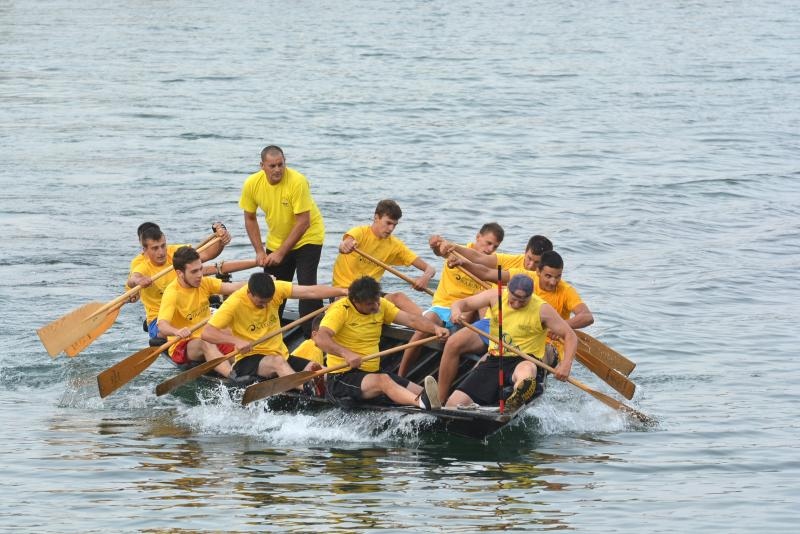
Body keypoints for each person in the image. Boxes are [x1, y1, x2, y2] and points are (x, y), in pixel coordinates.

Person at [432, 234, 554, 403]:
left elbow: (559, 321)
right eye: (528, 259)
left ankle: (516, 392)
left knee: (532, 360)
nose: (531, 265)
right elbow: (481, 260)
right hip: (495, 324)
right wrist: (455, 248)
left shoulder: (550, 282)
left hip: (525, 334)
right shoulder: (514, 267)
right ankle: (439, 400)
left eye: (536, 263)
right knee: (453, 343)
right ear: (524, 253)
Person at [314, 276, 449, 410]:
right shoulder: (340, 310)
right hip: (343, 376)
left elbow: (411, 320)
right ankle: (421, 404)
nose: (376, 307)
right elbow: (321, 338)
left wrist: (435, 328)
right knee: (383, 381)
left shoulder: (381, 305)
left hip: (372, 372)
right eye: (370, 304)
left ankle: (436, 405)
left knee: (423, 391)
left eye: (377, 301)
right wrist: (346, 354)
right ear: (355, 301)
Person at [446, 274, 577, 411]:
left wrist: (566, 364)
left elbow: (570, 335)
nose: (517, 304)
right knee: (452, 405)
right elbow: (461, 303)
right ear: (507, 289)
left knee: (527, 369)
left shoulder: (542, 310)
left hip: (525, 358)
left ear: (531, 296)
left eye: (523, 302)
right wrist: (456, 312)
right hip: (496, 358)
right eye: (514, 299)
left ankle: (518, 395)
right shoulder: (494, 296)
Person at [397, 222, 504, 377]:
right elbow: (440, 251)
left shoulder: (492, 266)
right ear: (478, 237)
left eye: (495, 247)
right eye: (488, 243)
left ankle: (491, 355)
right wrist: (434, 244)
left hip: (467, 313)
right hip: (443, 308)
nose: (490, 250)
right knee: (425, 325)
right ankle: (400, 376)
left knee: (482, 306)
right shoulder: (457, 251)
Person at [449, 249, 594, 363]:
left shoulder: (566, 291)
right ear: (538, 272)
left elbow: (587, 317)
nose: (553, 282)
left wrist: (561, 326)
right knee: (465, 350)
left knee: (520, 360)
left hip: (548, 344)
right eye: (548, 276)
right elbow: (487, 273)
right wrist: (463, 263)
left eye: (558, 277)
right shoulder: (525, 279)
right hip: (515, 336)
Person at [240, 145, 325, 338]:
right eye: (272, 166)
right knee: (271, 287)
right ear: (262, 166)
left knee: (306, 287)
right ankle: (268, 334)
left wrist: (280, 253)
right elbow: (250, 218)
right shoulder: (252, 183)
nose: (277, 170)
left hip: (308, 237)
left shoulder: (297, 181)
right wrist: (260, 251)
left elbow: (304, 222)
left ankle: (314, 338)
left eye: (281, 164)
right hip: (277, 238)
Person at [201, 272, 346, 384]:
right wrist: (236, 341)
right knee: (278, 362)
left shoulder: (277, 288)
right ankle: (305, 387)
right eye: (260, 303)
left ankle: (340, 388)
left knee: (321, 370)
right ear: (249, 293)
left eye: (268, 302)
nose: (264, 306)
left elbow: (311, 292)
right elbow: (207, 333)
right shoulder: (234, 303)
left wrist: (343, 292)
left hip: (280, 354)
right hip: (248, 361)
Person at [128, 222, 232, 339]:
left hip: (188, 310)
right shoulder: (140, 264)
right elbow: (133, 279)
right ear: (144, 249)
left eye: (163, 246)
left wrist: (221, 241)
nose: (161, 252)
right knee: (167, 330)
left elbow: (207, 254)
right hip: (159, 317)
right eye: (155, 248)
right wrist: (139, 280)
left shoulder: (175, 252)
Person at [156, 246, 246, 380]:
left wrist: (257, 283)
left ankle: (251, 370)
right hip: (184, 345)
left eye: (200, 269)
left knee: (236, 335)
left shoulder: (203, 282)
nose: (200, 275)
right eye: (194, 271)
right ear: (180, 273)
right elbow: (162, 325)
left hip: (208, 335)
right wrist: (177, 332)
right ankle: (234, 378)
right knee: (205, 343)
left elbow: (233, 287)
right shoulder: (172, 293)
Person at [332, 199, 435, 315]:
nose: (391, 229)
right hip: (345, 292)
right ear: (376, 217)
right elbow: (345, 243)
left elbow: (430, 269)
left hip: (370, 296)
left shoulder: (395, 245)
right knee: (342, 301)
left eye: (394, 225)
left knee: (399, 297)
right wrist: (345, 246)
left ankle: (431, 323)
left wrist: (425, 278)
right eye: (388, 223)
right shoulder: (360, 233)